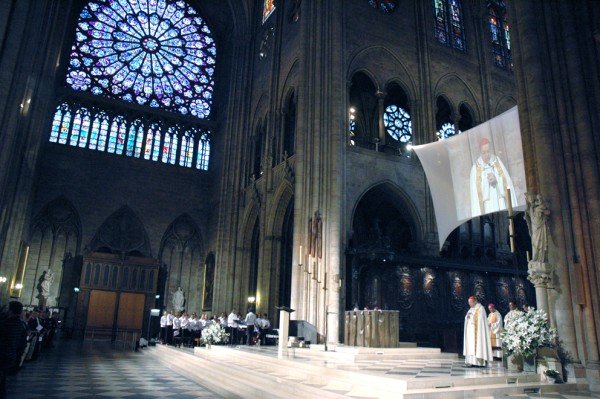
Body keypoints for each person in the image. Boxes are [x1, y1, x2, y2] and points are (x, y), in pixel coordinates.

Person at [470, 137, 517, 216]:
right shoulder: (475, 169)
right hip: (488, 205)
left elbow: (507, 183)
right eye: (484, 152)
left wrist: (496, 180)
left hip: (500, 201)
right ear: (480, 152)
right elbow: (476, 194)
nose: (486, 155)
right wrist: (486, 181)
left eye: (488, 151)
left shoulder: (497, 161)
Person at [0, 301, 28, 397]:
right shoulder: (21, 325)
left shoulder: (6, 324)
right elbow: (22, 343)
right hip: (11, 355)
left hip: (3, 355)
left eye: (7, 308)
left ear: (10, 310)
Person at [463, 296, 492, 367]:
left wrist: (472, 317)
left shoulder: (480, 308)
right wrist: (467, 317)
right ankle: (471, 362)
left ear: (475, 301)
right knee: (470, 347)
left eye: (470, 302)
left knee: (478, 346)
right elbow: (467, 317)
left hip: (478, 333)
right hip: (470, 333)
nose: (469, 304)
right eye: (469, 302)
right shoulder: (471, 309)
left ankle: (479, 363)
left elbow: (480, 320)